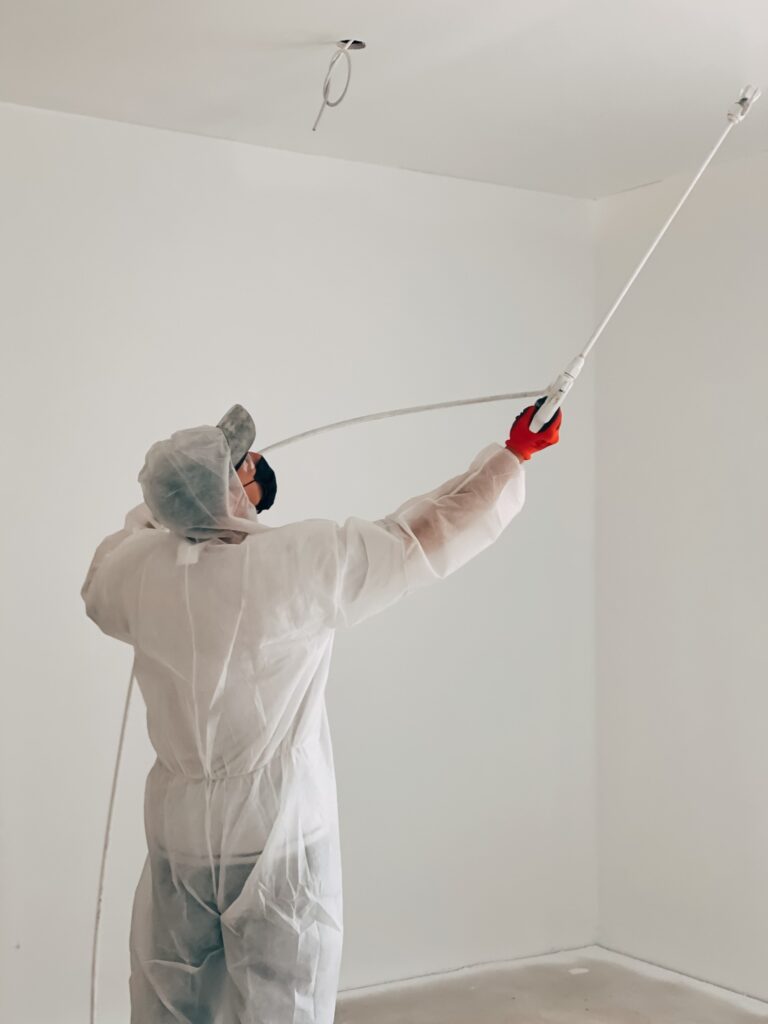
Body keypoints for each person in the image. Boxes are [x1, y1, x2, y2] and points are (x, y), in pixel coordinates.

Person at [82, 401, 562, 1024]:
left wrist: (175, 497)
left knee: (173, 1001)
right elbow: (421, 536)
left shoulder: (133, 575)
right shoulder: (293, 565)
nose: (257, 465)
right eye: (243, 464)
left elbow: (116, 555)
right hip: (276, 833)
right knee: (286, 1000)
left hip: (179, 835)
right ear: (230, 492)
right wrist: (512, 456)